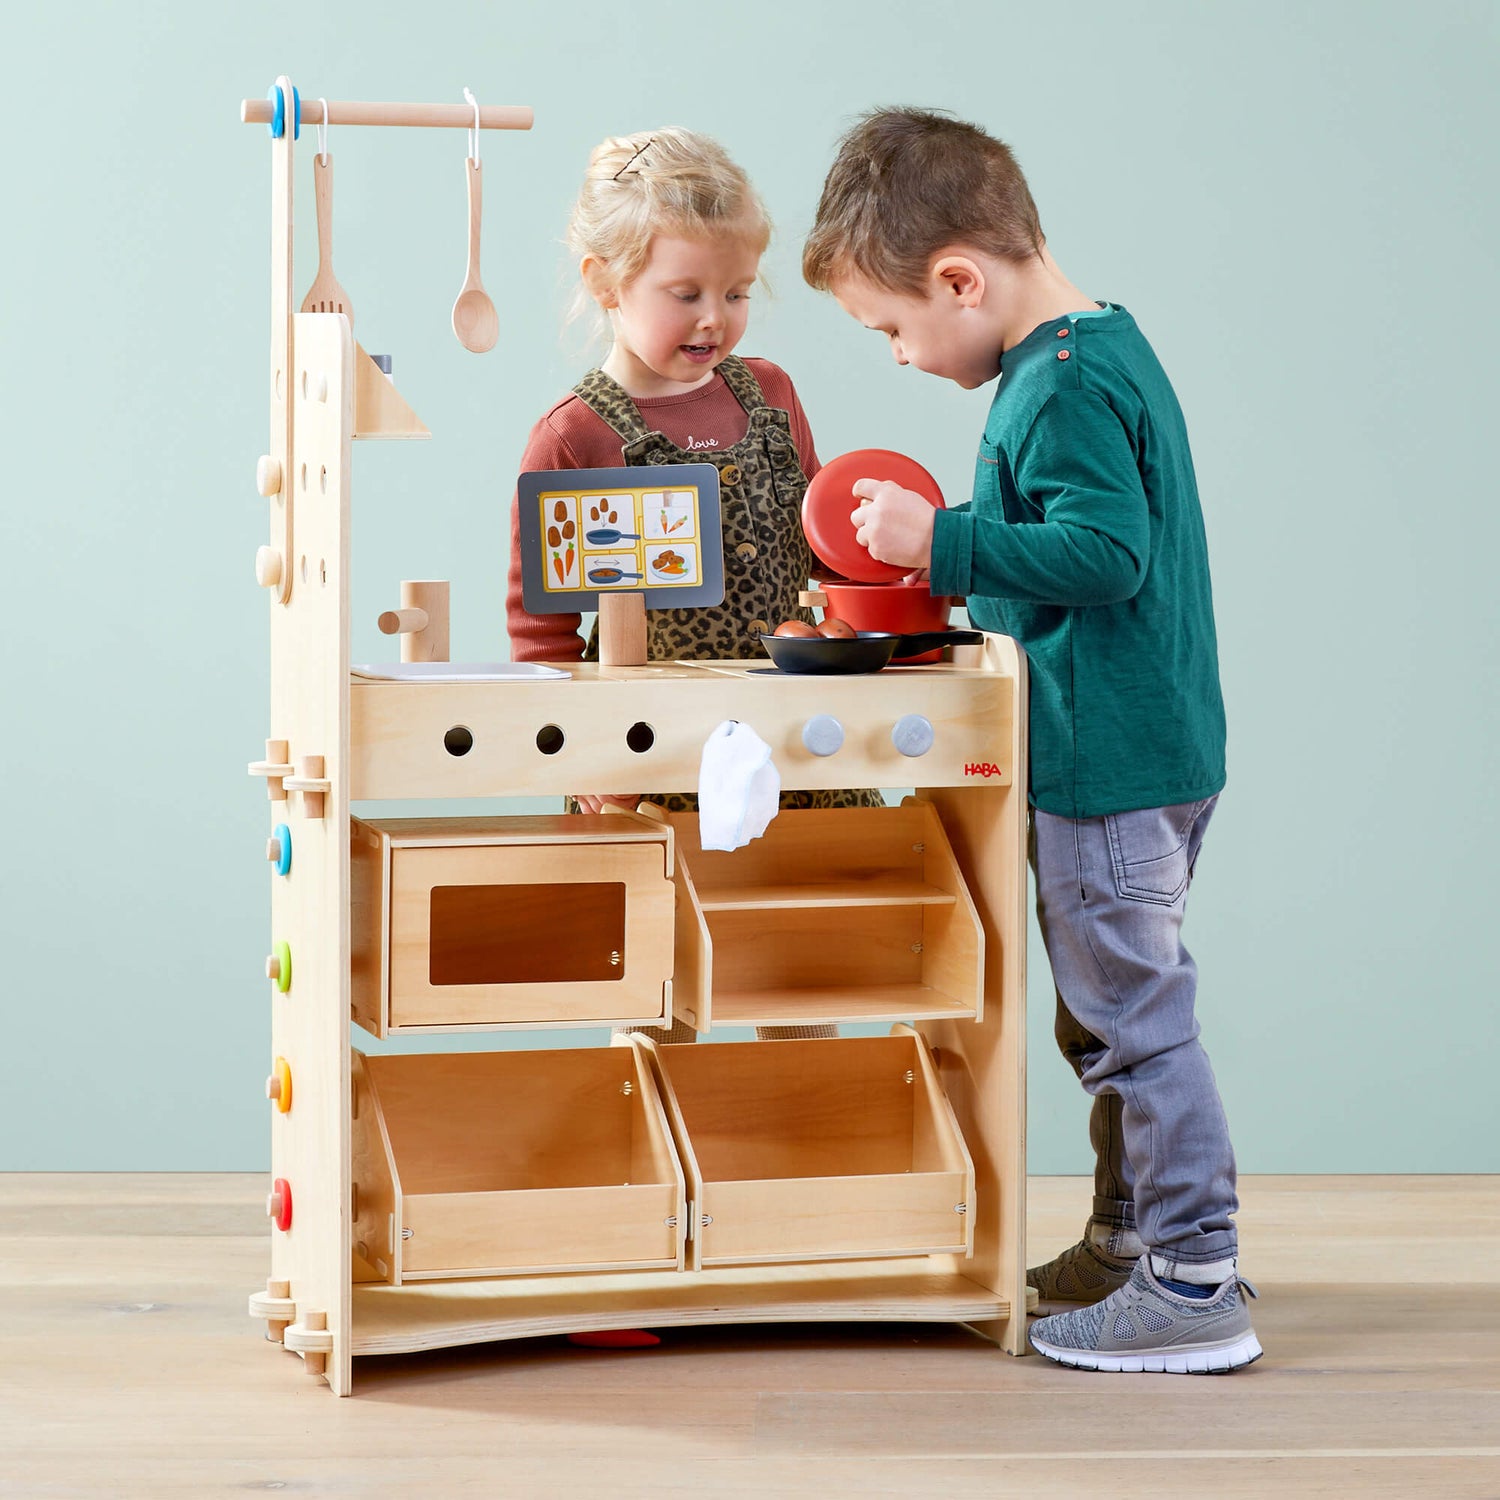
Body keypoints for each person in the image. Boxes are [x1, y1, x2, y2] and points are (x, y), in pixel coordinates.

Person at [801, 108, 1260, 1374]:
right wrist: (956, 561)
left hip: (1106, 768)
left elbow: (1106, 556)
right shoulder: (1098, 346)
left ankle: (1194, 1278)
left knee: (1134, 1029)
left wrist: (942, 543)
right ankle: (1130, 1240)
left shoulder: (1055, 385)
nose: (899, 357)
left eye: (890, 329)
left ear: (961, 279)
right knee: (1107, 1017)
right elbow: (1064, 534)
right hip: (1150, 748)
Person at [507, 126, 881, 1048]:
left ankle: (793, 1126)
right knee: (657, 994)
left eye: (737, 292)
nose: (715, 318)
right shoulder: (574, 438)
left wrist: (880, 581)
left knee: (799, 980)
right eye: (686, 294)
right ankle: (652, 1133)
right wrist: (589, 768)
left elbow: (824, 549)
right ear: (606, 282)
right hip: (651, 762)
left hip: (795, 747)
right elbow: (541, 636)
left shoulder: (773, 394)